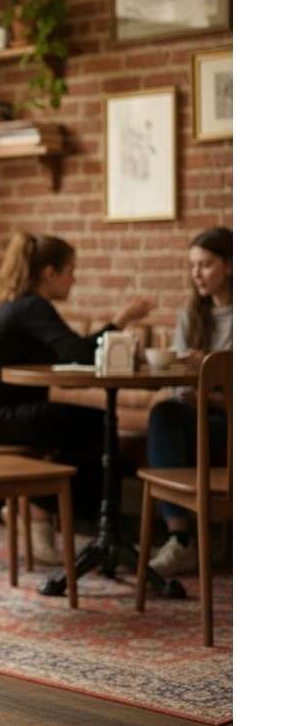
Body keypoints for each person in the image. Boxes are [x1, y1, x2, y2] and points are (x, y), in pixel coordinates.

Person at [0, 232, 153, 562]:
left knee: (86, 424)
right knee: (98, 424)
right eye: (70, 271)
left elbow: (67, 354)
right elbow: (80, 353)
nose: (73, 280)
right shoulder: (33, 306)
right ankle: (63, 518)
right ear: (49, 273)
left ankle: (39, 512)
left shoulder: (16, 305)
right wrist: (121, 320)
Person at [145, 226, 232, 577]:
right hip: (196, 411)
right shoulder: (190, 316)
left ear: (230, 265)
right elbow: (179, 379)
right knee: (164, 413)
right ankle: (182, 539)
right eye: (192, 265)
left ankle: (195, 539)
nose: (197, 273)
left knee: (168, 418)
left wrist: (209, 378)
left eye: (206, 264)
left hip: (230, 417)